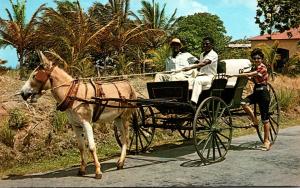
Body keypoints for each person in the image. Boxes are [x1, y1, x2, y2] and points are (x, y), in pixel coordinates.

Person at [231, 48, 271, 151]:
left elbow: (250, 74)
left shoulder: (262, 68)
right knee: (243, 103)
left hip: (263, 93)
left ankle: (266, 141)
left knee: (265, 119)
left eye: (258, 58)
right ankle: (254, 121)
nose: (257, 60)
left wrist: (238, 75)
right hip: (256, 92)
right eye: (254, 58)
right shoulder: (254, 67)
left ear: (261, 59)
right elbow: (250, 76)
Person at [181, 36, 218, 105]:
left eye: (207, 44)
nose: (205, 45)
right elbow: (200, 65)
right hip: (200, 75)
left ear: (212, 45)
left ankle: (193, 102)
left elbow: (203, 63)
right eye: (203, 44)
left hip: (210, 77)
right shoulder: (202, 54)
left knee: (198, 81)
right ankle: (184, 100)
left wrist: (190, 68)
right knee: (186, 81)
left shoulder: (213, 54)